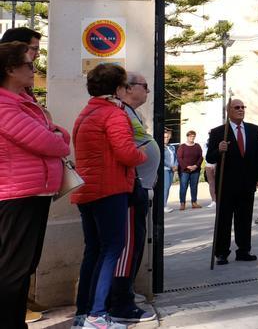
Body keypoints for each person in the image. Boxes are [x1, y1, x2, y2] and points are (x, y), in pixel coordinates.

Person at [0, 41, 70, 329]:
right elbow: (51, 143)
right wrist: (55, 134)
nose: (34, 70)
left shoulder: (22, 102)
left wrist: (55, 133)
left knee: (23, 267)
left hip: (32, 193)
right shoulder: (5, 105)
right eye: (29, 65)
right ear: (10, 69)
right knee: (14, 270)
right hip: (18, 194)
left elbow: (55, 135)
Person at [72, 63, 147, 329]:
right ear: (117, 88)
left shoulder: (87, 111)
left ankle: (84, 312)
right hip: (110, 189)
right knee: (112, 249)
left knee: (93, 251)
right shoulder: (113, 115)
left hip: (87, 191)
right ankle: (98, 315)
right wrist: (143, 155)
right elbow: (126, 153)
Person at [106, 72, 159, 325]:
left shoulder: (130, 112)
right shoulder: (118, 111)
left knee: (135, 244)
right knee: (127, 247)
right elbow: (126, 150)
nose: (148, 91)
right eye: (144, 86)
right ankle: (119, 302)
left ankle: (124, 292)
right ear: (127, 88)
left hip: (138, 186)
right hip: (129, 187)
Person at [205, 99, 258, 265]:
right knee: (224, 219)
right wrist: (219, 149)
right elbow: (209, 157)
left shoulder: (253, 130)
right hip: (226, 183)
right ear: (228, 111)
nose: (241, 110)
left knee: (244, 219)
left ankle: (244, 250)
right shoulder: (219, 132)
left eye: (242, 107)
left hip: (247, 183)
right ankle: (221, 252)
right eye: (236, 107)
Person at [176, 132, 203, 210]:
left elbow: (200, 157)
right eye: (190, 136)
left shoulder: (197, 146)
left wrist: (196, 166)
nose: (192, 138)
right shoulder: (182, 147)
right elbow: (179, 158)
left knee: (194, 187)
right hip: (185, 171)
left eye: (193, 136)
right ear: (187, 137)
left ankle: (194, 202)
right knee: (183, 187)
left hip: (195, 170)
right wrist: (187, 166)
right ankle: (182, 203)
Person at [161, 129, 176, 213]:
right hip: (165, 170)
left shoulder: (171, 147)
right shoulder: (161, 147)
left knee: (168, 188)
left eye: (167, 137)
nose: (166, 139)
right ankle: (163, 206)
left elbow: (175, 157)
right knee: (165, 188)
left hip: (172, 170)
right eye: (164, 137)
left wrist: (176, 166)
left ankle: (165, 204)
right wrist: (171, 166)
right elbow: (162, 160)